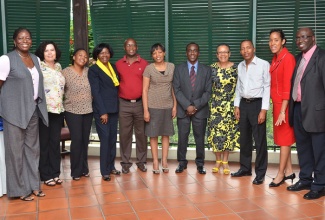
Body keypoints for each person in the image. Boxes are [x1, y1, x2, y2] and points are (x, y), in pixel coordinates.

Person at [0, 27, 49, 201]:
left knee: (33, 150)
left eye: (27, 37)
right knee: (15, 152)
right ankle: (19, 189)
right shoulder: (6, 60)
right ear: (14, 41)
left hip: (32, 111)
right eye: (21, 38)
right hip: (13, 112)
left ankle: (34, 185)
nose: (25, 40)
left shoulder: (35, 58)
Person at [287, 27, 325, 200]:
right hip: (298, 109)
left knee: (319, 151)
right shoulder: (297, 59)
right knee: (303, 149)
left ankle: (320, 185)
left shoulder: (322, 57)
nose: (300, 40)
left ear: (313, 38)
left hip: (317, 113)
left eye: (304, 37)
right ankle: (305, 179)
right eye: (297, 37)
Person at [231, 40, 270, 185]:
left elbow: (267, 87)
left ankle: (260, 173)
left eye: (248, 48)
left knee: (260, 141)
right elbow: (238, 88)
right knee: (245, 139)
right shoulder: (240, 66)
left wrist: (264, 110)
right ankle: (245, 168)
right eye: (243, 49)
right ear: (240, 51)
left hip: (257, 105)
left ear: (253, 49)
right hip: (243, 105)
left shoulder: (263, 64)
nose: (246, 51)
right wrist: (236, 106)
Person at [173, 42, 212, 174]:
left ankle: (200, 163)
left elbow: (208, 92)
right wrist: (187, 106)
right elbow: (176, 89)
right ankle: (181, 163)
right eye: (189, 50)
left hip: (200, 111)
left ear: (198, 53)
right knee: (182, 137)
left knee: (199, 138)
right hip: (183, 110)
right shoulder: (178, 69)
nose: (192, 53)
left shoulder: (207, 70)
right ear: (186, 53)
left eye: (195, 50)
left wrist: (195, 106)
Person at [116, 38, 149, 174]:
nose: (131, 47)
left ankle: (141, 162)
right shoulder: (118, 64)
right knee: (125, 134)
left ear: (137, 47)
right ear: (124, 47)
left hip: (140, 103)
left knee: (141, 134)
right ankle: (125, 162)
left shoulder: (145, 63)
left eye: (133, 45)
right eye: (128, 45)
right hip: (123, 103)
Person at [268, 29, 296, 187]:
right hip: (277, 104)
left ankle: (280, 174)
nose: (273, 43)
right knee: (283, 140)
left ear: (283, 41)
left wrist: (282, 112)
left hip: (284, 106)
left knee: (284, 140)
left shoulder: (288, 58)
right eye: (271, 40)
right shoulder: (276, 58)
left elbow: (288, 87)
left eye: (276, 40)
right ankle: (290, 171)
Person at [142, 43, 176, 174]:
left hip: (167, 106)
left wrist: (175, 106)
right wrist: (146, 110)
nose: (158, 55)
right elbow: (144, 90)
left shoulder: (172, 67)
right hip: (153, 106)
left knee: (166, 134)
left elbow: (174, 88)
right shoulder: (149, 69)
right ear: (152, 55)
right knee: (153, 135)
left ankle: (164, 161)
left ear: (164, 53)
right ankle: (155, 161)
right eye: (155, 53)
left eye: (160, 52)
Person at [88, 43, 120, 181]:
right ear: (97, 55)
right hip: (103, 111)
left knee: (112, 139)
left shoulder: (112, 67)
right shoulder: (94, 70)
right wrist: (102, 112)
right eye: (101, 53)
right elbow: (95, 92)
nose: (104, 55)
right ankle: (104, 170)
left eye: (107, 52)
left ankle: (111, 166)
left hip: (114, 108)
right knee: (105, 139)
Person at [35, 41, 65, 186]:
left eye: (52, 50)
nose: (49, 53)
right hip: (44, 111)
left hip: (58, 111)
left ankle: (55, 173)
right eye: (46, 50)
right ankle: (45, 174)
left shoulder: (59, 67)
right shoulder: (38, 67)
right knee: (44, 144)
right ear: (42, 53)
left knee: (55, 143)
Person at [207, 43, 239, 174]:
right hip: (215, 106)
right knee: (216, 134)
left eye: (225, 52)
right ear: (216, 55)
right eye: (220, 52)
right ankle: (217, 160)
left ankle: (225, 161)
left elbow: (240, 88)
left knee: (228, 134)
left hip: (231, 106)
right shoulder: (211, 68)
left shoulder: (237, 68)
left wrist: (238, 105)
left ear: (229, 53)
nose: (223, 54)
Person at [62, 48, 93, 181]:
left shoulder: (89, 72)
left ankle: (84, 168)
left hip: (88, 111)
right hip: (72, 111)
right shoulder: (65, 72)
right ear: (74, 57)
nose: (83, 58)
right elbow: (58, 91)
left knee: (85, 140)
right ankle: (75, 171)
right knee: (77, 140)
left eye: (85, 57)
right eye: (80, 55)